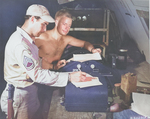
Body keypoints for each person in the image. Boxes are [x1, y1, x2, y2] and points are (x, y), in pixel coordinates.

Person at [0, 4, 87, 119]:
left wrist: (53, 67)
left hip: (28, 92)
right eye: (43, 24)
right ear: (32, 19)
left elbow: (34, 63)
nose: (45, 29)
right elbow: (37, 74)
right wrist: (69, 77)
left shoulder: (27, 40)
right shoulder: (20, 45)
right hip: (21, 96)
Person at [35, 9, 101, 70]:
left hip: (56, 71)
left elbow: (84, 43)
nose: (67, 28)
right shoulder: (41, 37)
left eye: (69, 25)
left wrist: (93, 50)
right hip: (41, 73)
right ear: (56, 22)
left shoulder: (66, 39)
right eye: (64, 24)